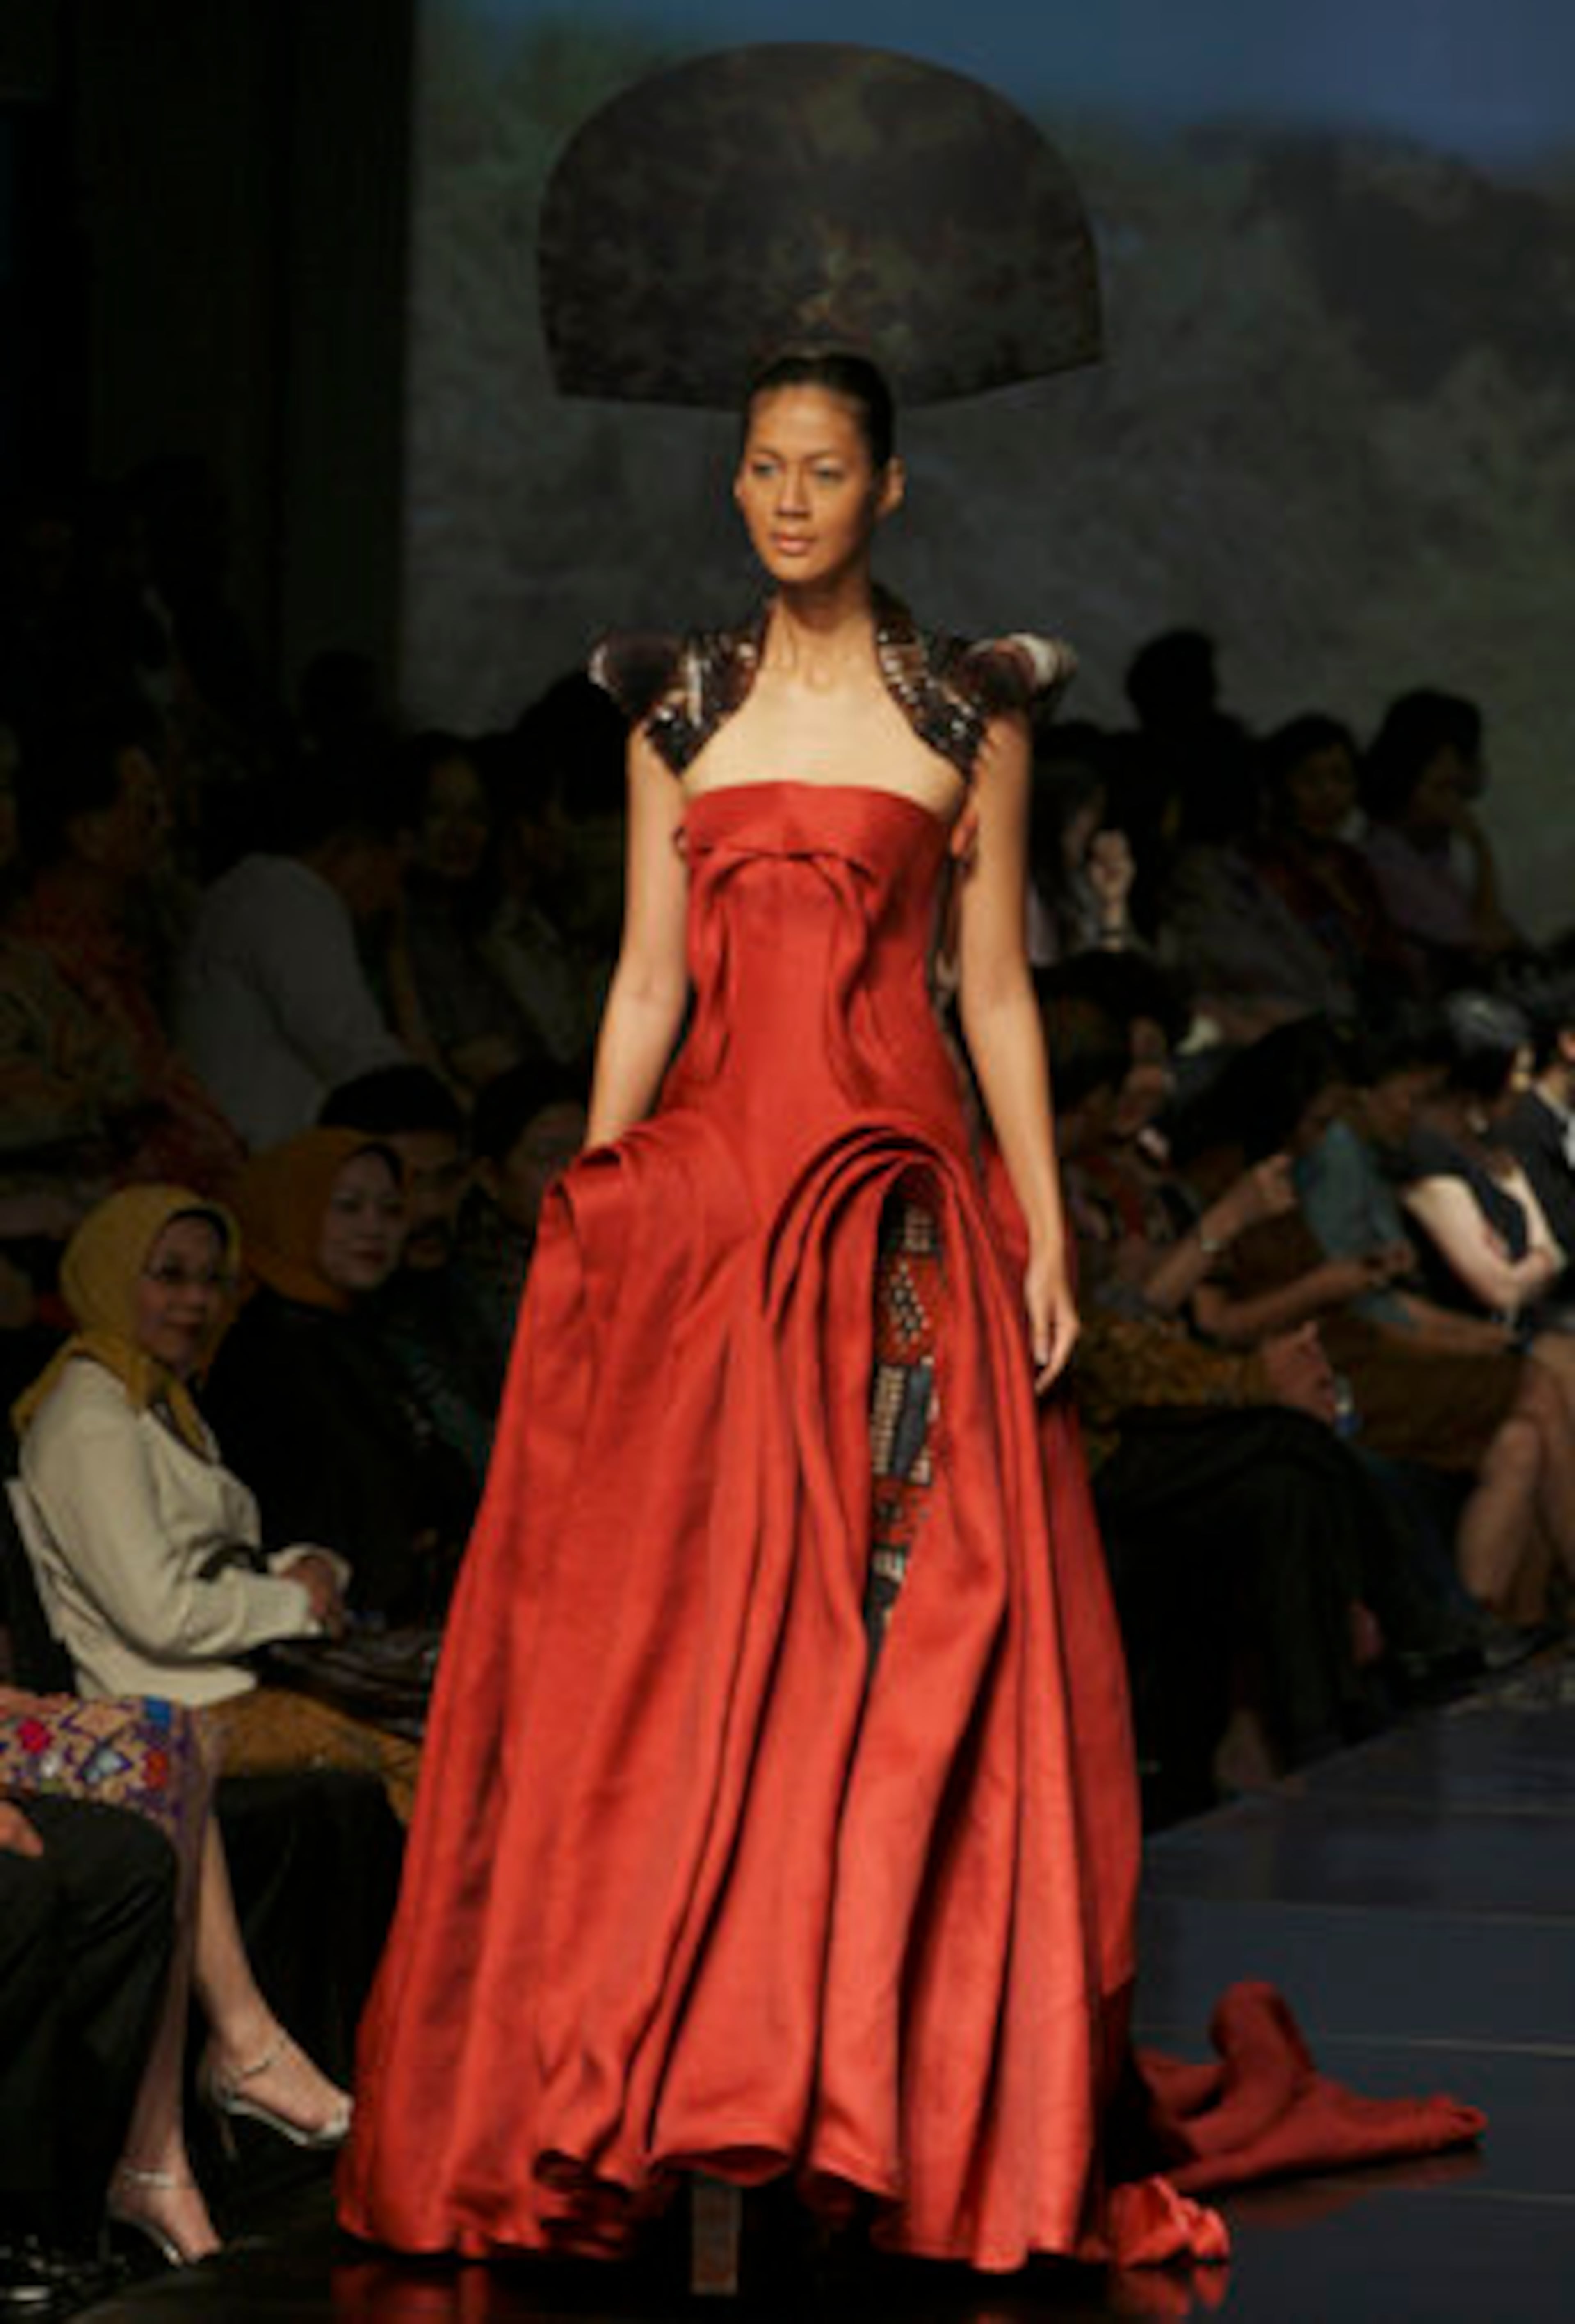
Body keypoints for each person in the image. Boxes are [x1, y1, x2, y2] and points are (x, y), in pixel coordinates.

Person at [338, 352, 1479, 2278]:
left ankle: (866, 2081)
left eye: (823, 469)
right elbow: (640, 981)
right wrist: (591, 1209)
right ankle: (677, 2076)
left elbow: (996, 994)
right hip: (704, 1226)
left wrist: (1039, 1225)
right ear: (741, 486)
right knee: (680, 1661)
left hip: (888, 1223)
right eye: (762, 468)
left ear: (887, 488)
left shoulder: (969, 707)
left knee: (898, 1644)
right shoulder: (672, 703)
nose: (787, 498)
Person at [204, 1127, 471, 1625]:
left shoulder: (355, 1330)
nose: (374, 1228)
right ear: (292, 1210)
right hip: (319, 1623)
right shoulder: (263, 1349)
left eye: (391, 1210)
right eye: (347, 1207)